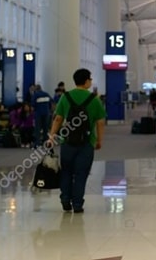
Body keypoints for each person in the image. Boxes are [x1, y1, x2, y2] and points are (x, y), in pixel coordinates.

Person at [47, 69, 106, 214]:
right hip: (86, 143)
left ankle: (65, 200)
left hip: (67, 141)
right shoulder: (94, 99)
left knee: (66, 171)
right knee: (81, 173)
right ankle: (78, 204)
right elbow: (100, 122)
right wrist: (99, 140)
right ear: (86, 81)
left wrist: (52, 135)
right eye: (90, 79)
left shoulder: (65, 97)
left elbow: (58, 118)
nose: (91, 82)